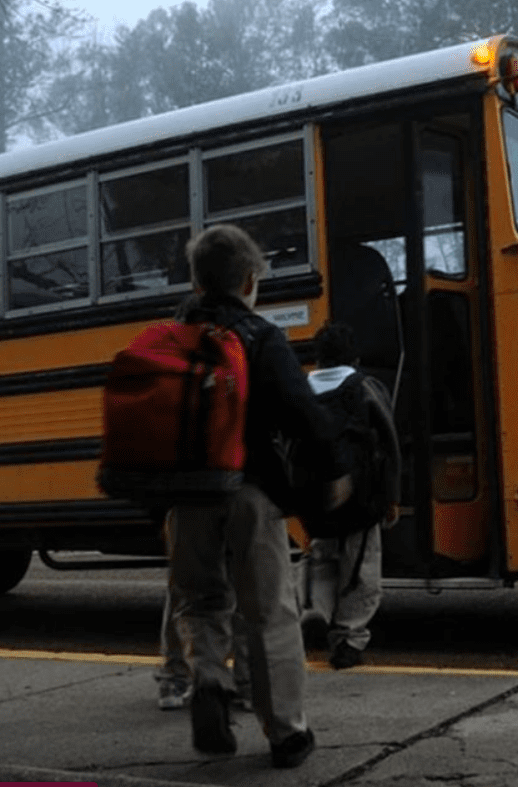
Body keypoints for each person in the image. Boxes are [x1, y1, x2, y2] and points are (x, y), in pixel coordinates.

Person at [162, 223, 345, 769]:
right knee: (268, 613)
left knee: (200, 602)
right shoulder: (261, 337)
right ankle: (287, 733)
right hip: (250, 491)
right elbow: (303, 412)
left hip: (186, 497)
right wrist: (335, 470)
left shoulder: (172, 340)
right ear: (248, 281)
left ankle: (212, 683)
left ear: (197, 284)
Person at [300, 322, 401, 670]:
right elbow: (389, 444)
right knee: (360, 569)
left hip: (317, 502)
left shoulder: (302, 391)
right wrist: (391, 497)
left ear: (318, 357)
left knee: (323, 560)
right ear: (353, 356)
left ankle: (316, 610)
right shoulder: (365, 388)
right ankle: (349, 639)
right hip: (362, 499)